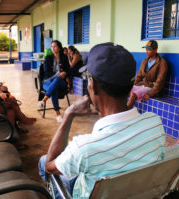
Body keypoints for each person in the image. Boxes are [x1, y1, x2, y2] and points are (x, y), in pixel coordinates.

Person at [38, 43, 166, 199]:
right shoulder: (155, 123)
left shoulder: (84, 147)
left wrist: (68, 115)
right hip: (134, 190)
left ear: (93, 86)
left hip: (86, 192)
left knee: (43, 160)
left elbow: (49, 166)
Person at [127, 40, 168, 109]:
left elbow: (159, 82)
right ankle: (120, 112)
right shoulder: (145, 61)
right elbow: (139, 76)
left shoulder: (162, 63)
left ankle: (125, 113)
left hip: (152, 88)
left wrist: (150, 94)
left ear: (155, 50)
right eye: (146, 49)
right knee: (126, 91)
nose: (147, 51)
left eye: (149, 49)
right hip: (143, 85)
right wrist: (135, 85)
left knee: (134, 95)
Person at [37, 40, 70, 122]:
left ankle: (44, 100)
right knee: (54, 89)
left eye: (54, 46)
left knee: (57, 80)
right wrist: (56, 75)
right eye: (52, 46)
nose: (53, 48)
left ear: (59, 48)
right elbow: (46, 72)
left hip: (61, 81)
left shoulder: (64, 57)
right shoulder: (48, 58)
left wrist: (65, 72)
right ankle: (58, 114)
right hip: (47, 81)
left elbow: (69, 70)